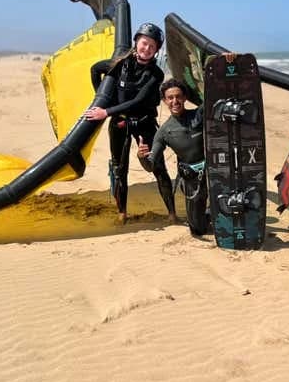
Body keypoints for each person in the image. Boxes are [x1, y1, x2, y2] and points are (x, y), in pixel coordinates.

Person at [84, 22, 176, 224]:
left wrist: (105, 111)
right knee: (120, 169)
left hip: (144, 122)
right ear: (136, 42)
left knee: (158, 167)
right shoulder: (120, 64)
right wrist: (103, 98)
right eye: (144, 43)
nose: (147, 49)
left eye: (152, 46)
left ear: (157, 51)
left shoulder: (156, 74)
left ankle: (172, 214)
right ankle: (122, 213)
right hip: (120, 122)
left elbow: (139, 101)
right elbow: (95, 69)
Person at [137, 79, 209, 236]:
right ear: (164, 101)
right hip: (192, 177)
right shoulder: (164, 131)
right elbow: (150, 166)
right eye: (170, 98)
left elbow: (215, 96)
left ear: (185, 98)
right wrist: (141, 157)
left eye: (178, 96)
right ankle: (206, 214)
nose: (175, 101)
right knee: (197, 229)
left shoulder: (199, 114)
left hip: (213, 171)